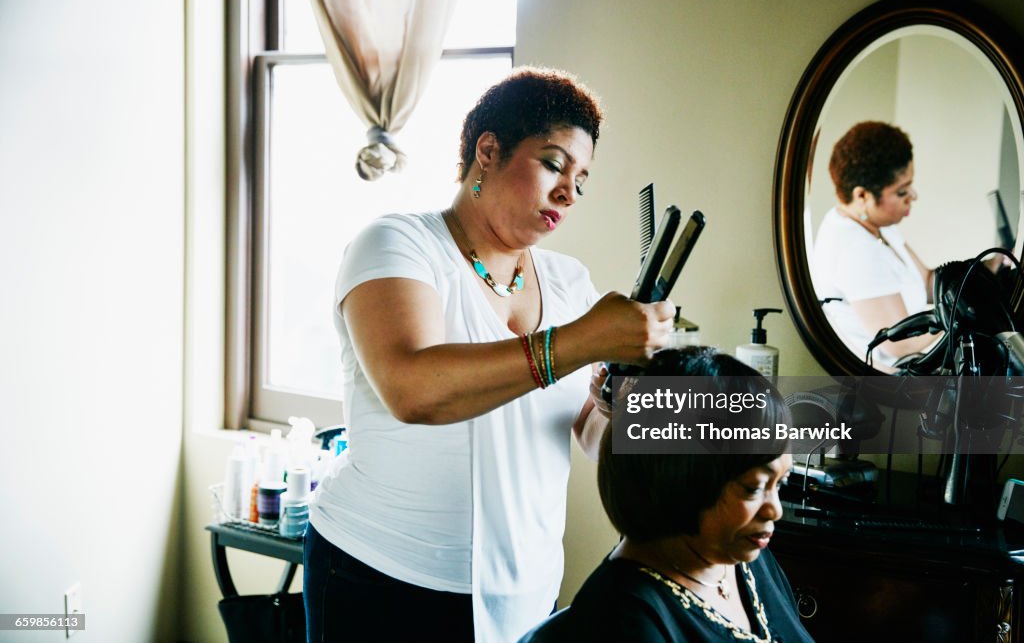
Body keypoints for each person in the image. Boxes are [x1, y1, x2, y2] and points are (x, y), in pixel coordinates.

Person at [303, 66, 677, 643]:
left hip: (524, 589)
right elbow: (414, 390)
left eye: (582, 179)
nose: (568, 193)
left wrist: (623, 402)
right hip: (382, 578)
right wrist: (584, 340)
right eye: (554, 163)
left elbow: (587, 430)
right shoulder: (397, 244)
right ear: (489, 150)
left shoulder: (568, 281)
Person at [523, 347, 812, 643]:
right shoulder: (623, 623)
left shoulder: (740, 554)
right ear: (682, 478)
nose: (774, 509)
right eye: (753, 488)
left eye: (780, 483)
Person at [811, 121, 940, 369]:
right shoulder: (853, 248)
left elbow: (925, 283)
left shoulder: (877, 224)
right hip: (877, 391)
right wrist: (959, 316)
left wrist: (984, 271)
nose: (913, 196)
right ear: (862, 195)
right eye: (902, 192)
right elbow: (899, 343)